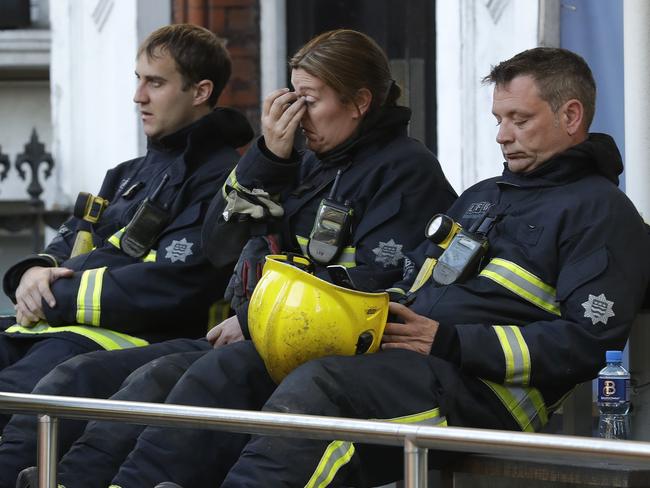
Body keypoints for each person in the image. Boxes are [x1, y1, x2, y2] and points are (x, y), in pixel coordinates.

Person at [106, 46, 649, 488]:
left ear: (571, 115)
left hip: (483, 398)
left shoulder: (602, 213)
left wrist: (449, 343)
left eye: (519, 119)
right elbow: (401, 277)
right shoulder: (485, 195)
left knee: (319, 388)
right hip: (403, 362)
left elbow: (585, 343)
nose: (503, 135)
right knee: (242, 367)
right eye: (499, 119)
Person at [12, 28, 457, 488]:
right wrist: (267, 159)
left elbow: (375, 282)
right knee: (129, 376)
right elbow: (222, 245)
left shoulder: (406, 170)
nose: (298, 115)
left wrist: (252, 318)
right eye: (293, 97)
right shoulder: (303, 166)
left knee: (207, 377)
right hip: (260, 336)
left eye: (310, 99)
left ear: (360, 102)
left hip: (315, 354)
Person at [0, 23, 256, 488]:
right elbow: (71, 241)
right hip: (48, 330)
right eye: (137, 79)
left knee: (16, 405)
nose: (138, 96)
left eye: (154, 83)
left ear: (201, 91)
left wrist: (58, 293)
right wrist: (31, 272)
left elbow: (181, 284)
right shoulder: (125, 175)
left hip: (118, 343)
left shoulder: (224, 180)